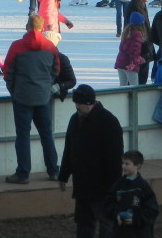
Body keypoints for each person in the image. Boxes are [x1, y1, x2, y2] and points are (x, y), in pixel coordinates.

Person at [57, 84, 124, 238]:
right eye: (76, 104)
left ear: (89, 103)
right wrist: (63, 175)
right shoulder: (75, 119)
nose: (77, 107)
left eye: (79, 104)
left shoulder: (109, 122)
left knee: (105, 223)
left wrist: (114, 187)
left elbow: (114, 159)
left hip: (101, 186)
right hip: (83, 184)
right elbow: (69, 148)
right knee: (83, 222)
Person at [2, 14, 60, 184]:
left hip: (22, 97)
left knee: (23, 136)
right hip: (43, 97)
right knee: (47, 135)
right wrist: (46, 88)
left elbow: (8, 72)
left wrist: (14, 90)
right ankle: (53, 170)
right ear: (42, 28)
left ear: (27, 27)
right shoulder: (50, 47)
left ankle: (23, 173)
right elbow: (56, 71)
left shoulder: (16, 47)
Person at [104, 150, 159, 238]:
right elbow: (109, 203)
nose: (123, 166)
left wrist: (135, 219)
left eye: (127, 164)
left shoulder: (144, 187)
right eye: (123, 163)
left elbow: (152, 210)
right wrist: (117, 214)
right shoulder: (117, 185)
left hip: (140, 233)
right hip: (120, 232)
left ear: (137, 165)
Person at [115, 14, 146, 86]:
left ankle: (122, 97)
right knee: (134, 87)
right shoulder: (137, 35)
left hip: (121, 62)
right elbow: (134, 51)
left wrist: (139, 58)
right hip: (129, 64)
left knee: (123, 87)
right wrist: (134, 62)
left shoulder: (127, 32)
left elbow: (124, 49)